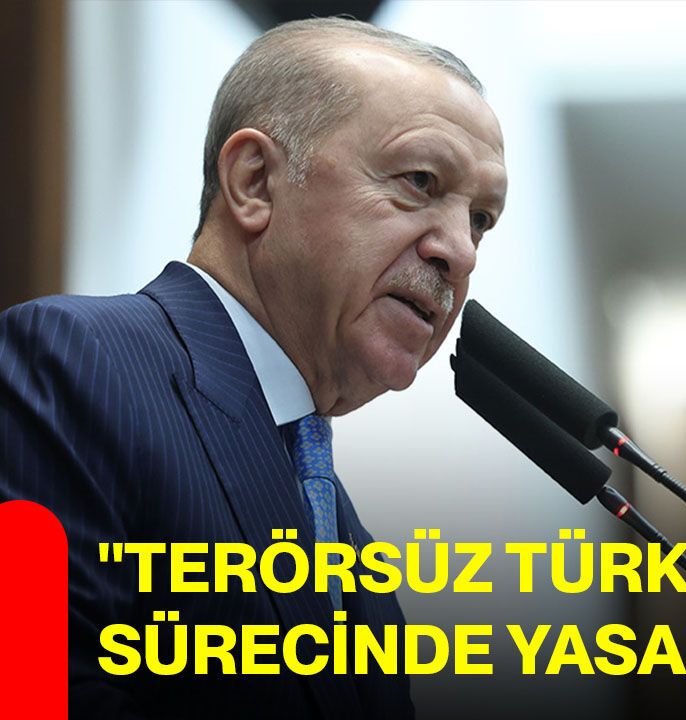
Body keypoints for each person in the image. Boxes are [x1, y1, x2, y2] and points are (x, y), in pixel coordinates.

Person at [0, 17, 506, 719]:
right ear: (255, 181)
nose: (462, 251)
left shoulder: (350, 545)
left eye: (480, 219)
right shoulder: (71, 362)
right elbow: (30, 691)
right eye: (420, 181)